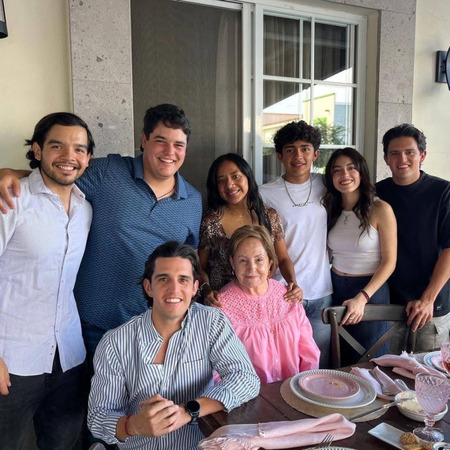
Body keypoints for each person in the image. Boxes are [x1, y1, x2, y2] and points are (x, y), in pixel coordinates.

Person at [0, 104, 202, 372]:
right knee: (94, 399)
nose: (169, 152)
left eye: (178, 145)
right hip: (92, 327)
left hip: (153, 330)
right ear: (144, 140)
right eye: (160, 141)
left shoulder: (193, 201)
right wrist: (11, 174)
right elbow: (61, 172)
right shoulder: (109, 172)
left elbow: (189, 259)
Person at [88, 241, 260, 450]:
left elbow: (245, 377)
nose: (174, 289)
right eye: (163, 279)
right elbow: (98, 418)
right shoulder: (115, 342)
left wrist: (188, 411)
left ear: (195, 287)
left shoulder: (211, 322)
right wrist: (134, 425)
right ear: (148, 287)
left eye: (183, 280)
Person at [0, 112, 94, 449]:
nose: (69, 156)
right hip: (12, 360)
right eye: (57, 146)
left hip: (68, 357)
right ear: (38, 150)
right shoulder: (12, 199)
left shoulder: (85, 208)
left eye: (79, 149)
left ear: (88, 158)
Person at [259, 121, 333, 368]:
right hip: (283, 290)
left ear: (315, 154)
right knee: (285, 362)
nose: (298, 156)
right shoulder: (265, 193)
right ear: (280, 156)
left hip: (321, 290)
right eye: (290, 150)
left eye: (305, 149)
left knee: (319, 361)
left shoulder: (327, 185)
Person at [376, 124, 450, 352]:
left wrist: (428, 299)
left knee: (427, 370)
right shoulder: (376, 193)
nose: (402, 159)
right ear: (386, 159)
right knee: (383, 371)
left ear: (422, 155)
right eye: (394, 153)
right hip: (385, 304)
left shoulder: (443, 192)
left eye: (409, 152)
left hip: (429, 306)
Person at [322, 148, 397, 363]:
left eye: (351, 168)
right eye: (337, 170)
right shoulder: (330, 207)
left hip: (370, 290)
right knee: (340, 357)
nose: (344, 175)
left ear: (361, 172)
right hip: (336, 286)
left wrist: (363, 297)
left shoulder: (380, 208)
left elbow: (389, 262)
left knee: (370, 359)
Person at [219, 225, 319, 384]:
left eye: (259, 260)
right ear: (232, 263)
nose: (251, 268)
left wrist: (306, 387)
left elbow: (308, 352)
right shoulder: (221, 306)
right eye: (243, 260)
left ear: (270, 262)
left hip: (294, 390)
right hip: (248, 396)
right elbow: (217, 371)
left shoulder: (288, 296)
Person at [199, 153, 301, 306]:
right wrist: (206, 290)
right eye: (221, 181)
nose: (229, 185)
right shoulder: (210, 222)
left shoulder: (269, 217)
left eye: (235, 176)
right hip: (222, 304)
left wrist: (292, 283)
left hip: (262, 302)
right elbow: (199, 266)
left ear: (248, 176)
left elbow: (283, 258)